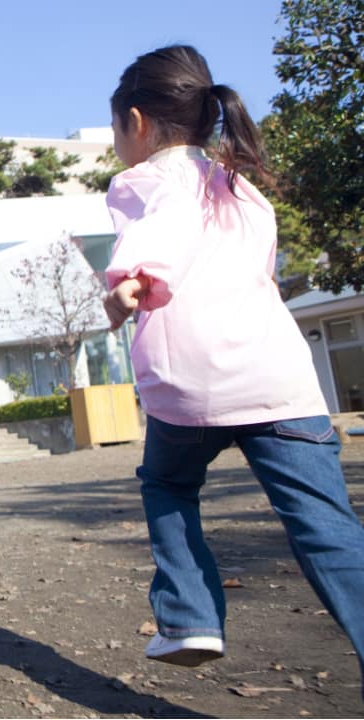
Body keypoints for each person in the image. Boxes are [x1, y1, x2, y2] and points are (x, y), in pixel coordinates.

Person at [103, 44, 364, 680]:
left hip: (191, 387)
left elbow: (168, 224)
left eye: (115, 130)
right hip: (280, 383)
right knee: (327, 528)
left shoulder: (153, 180)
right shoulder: (245, 188)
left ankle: (189, 617)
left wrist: (130, 281)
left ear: (137, 123)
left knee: (168, 484)